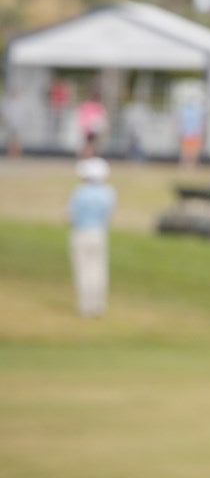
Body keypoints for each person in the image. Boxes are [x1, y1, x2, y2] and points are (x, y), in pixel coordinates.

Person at [66, 157, 117, 317]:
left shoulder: (80, 191)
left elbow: (70, 215)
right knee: (99, 269)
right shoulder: (108, 192)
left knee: (83, 269)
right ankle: (98, 304)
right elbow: (109, 215)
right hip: (99, 233)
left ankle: (85, 305)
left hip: (81, 232)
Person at [75, 91, 109, 158]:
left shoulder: (87, 105)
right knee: (90, 145)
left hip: (89, 129)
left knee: (89, 144)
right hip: (91, 129)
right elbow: (102, 118)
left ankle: (86, 157)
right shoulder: (97, 107)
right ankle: (86, 156)